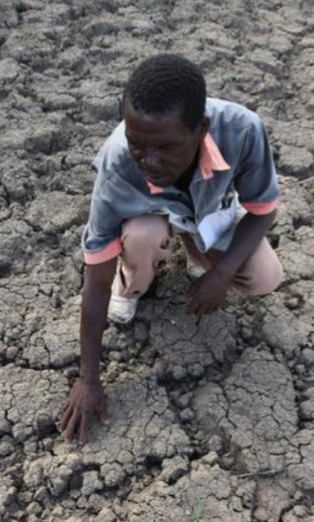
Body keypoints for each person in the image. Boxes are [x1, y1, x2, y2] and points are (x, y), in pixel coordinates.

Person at [57, 54, 284, 443]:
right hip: (149, 217)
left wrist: (221, 273)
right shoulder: (118, 164)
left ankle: (198, 256)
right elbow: (94, 278)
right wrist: (88, 379)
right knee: (142, 236)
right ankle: (133, 284)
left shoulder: (242, 130)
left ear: (201, 129)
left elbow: (263, 210)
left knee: (266, 277)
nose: (150, 160)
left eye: (166, 147)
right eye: (137, 145)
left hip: (206, 213)